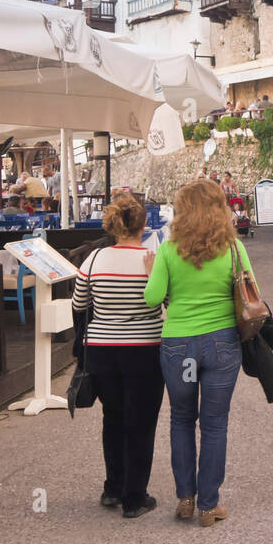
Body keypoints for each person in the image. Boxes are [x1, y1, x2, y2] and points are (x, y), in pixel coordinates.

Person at [145, 179, 255, 526]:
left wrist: (151, 274)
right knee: (214, 424)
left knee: (181, 419)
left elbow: (152, 298)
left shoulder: (167, 249)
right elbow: (252, 295)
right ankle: (209, 506)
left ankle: (185, 499)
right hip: (221, 344)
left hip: (178, 345)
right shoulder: (234, 248)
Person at [72, 193, 165, 518]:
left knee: (112, 418)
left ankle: (113, 487)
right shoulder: (153, 257)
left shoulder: (93, 260)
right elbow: (164, 302)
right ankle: (134, 497)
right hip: (144, 349)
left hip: (101, 351)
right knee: (140, 423)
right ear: (143, 224)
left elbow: (79, 305)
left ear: (112, 224)